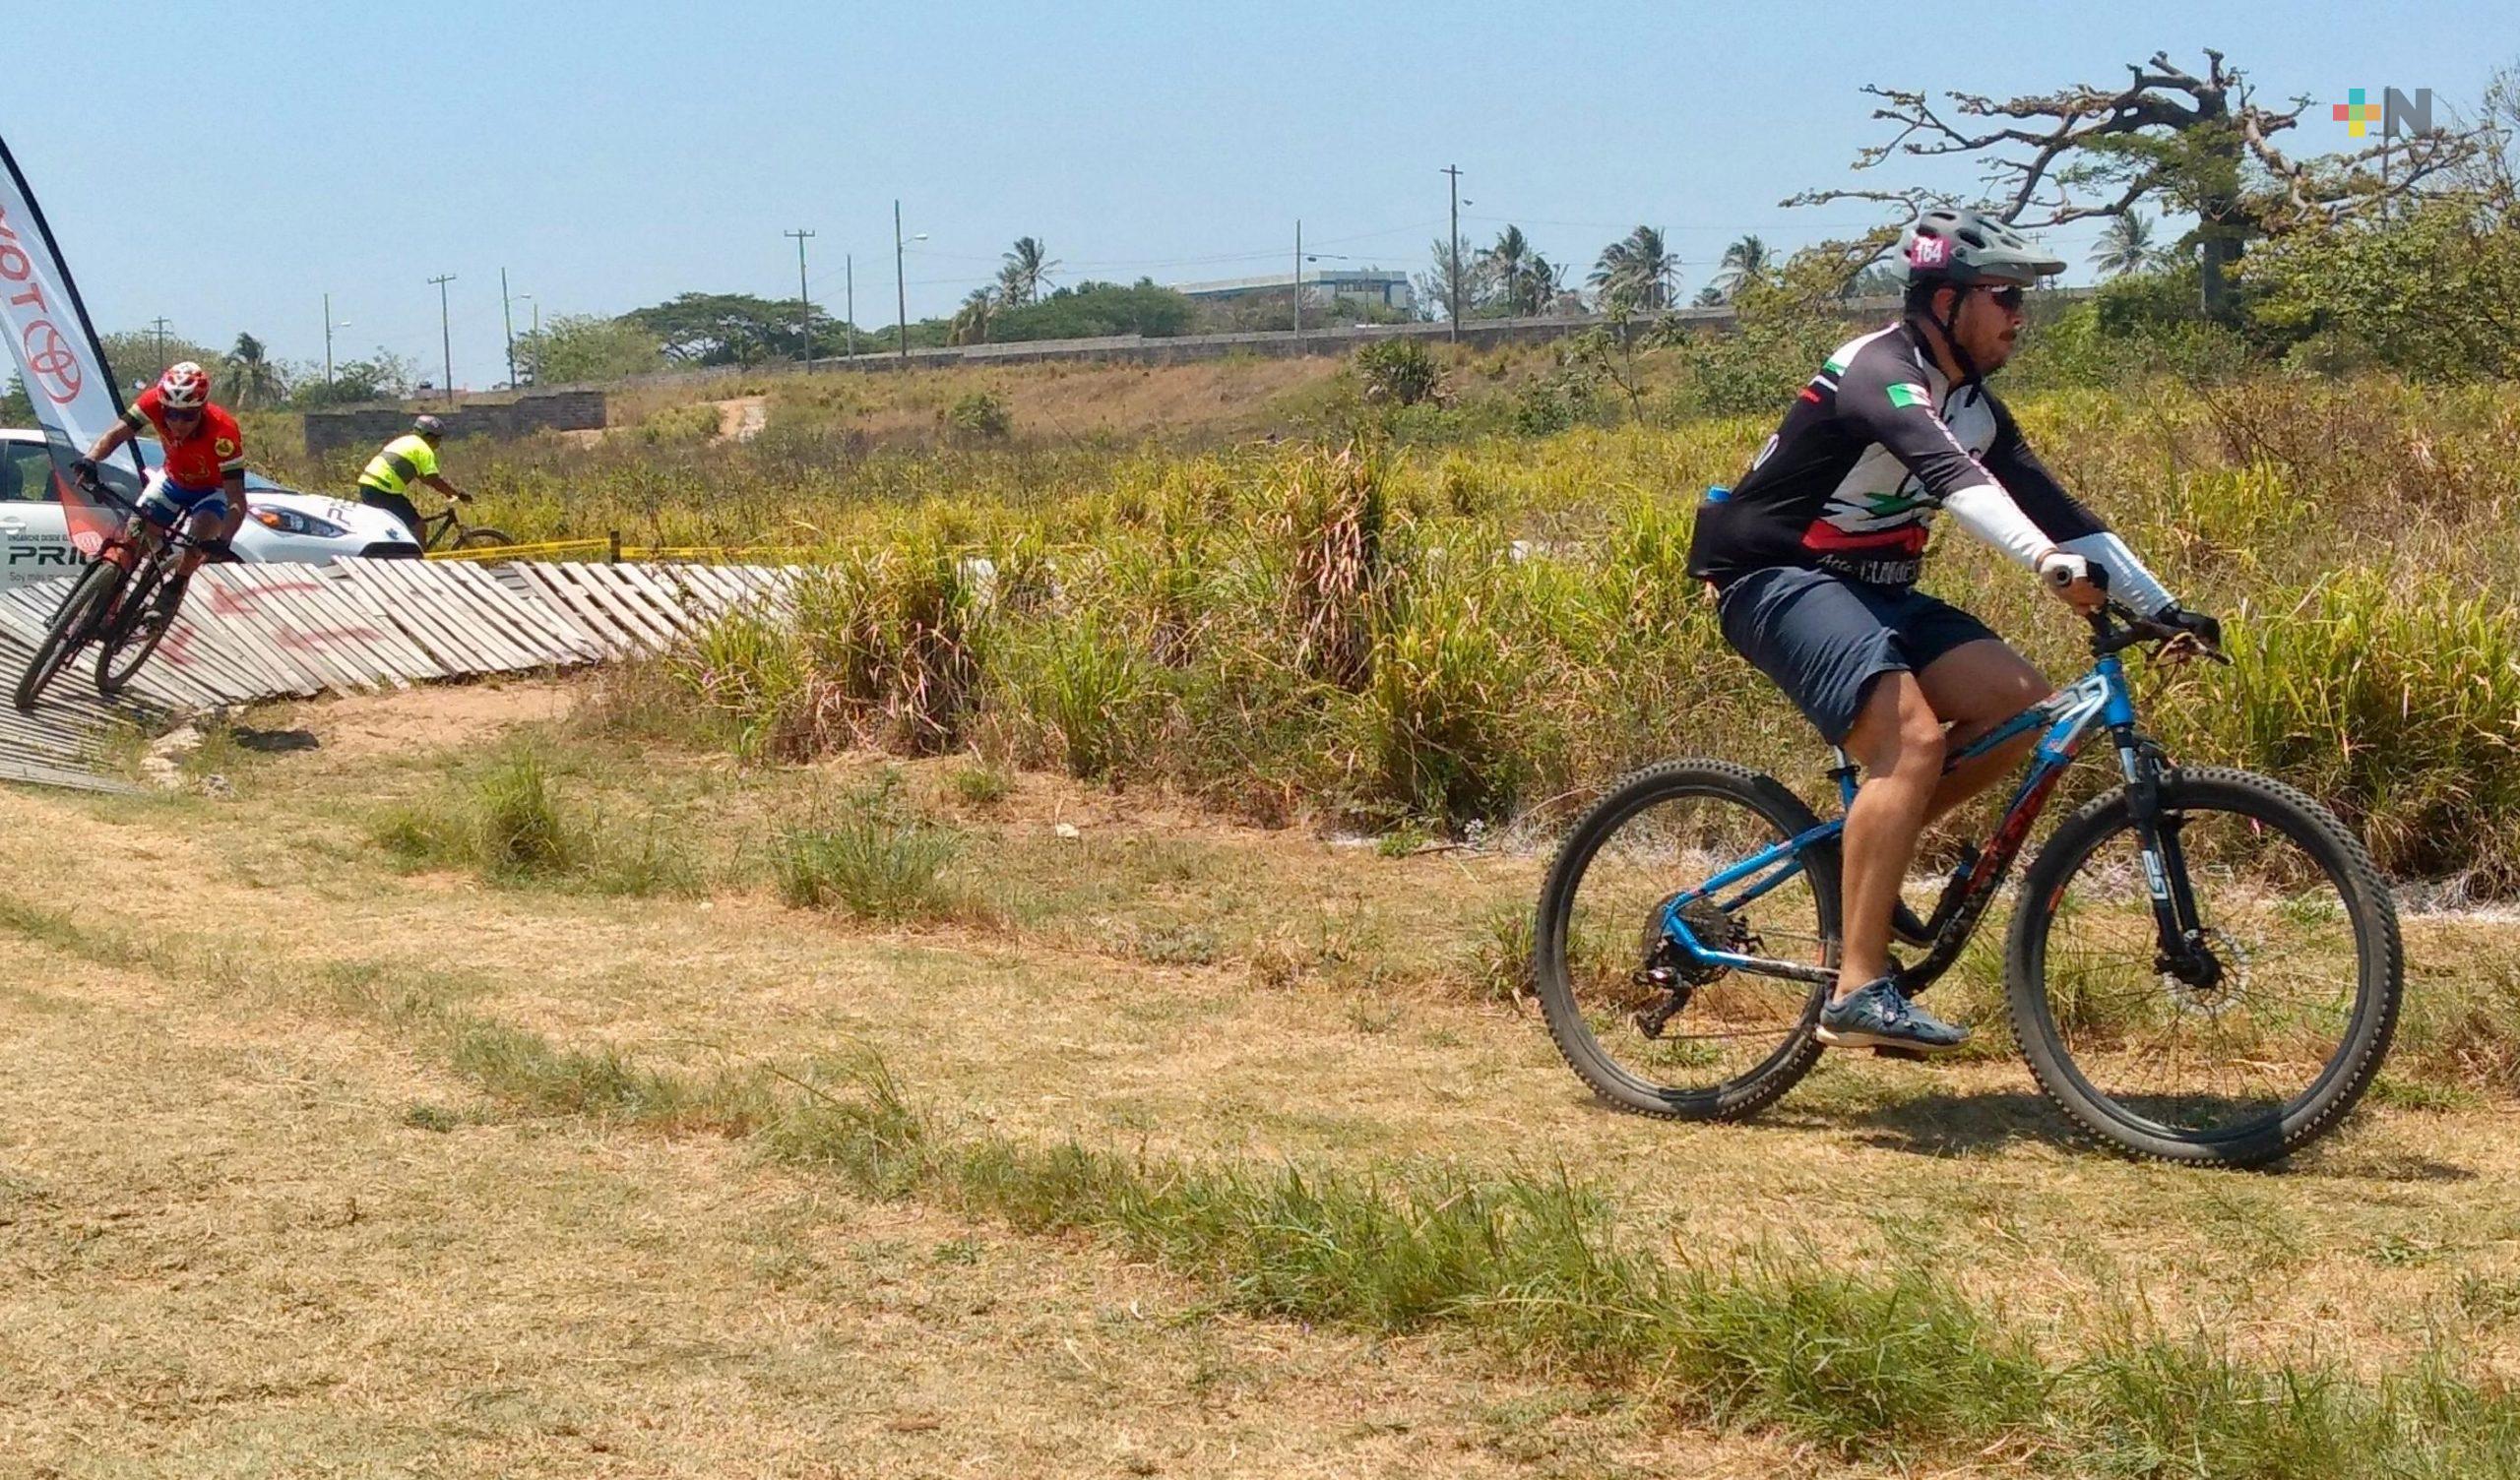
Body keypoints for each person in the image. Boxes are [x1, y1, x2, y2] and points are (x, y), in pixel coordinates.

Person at [1684, 207, 2220, 1054]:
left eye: (2021, 299)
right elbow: (1953, 479)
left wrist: (2160, 607)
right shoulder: (1878, 372)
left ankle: (1868, 854)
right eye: (2004, 295)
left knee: (2023, 705)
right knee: (1912, 742)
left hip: (1875, 588)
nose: (2020, 315)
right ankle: (1856, 991)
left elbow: (2060, 512)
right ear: (1945, 302)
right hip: (1772, 575)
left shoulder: (1973, 405)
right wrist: (2046, 565)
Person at [71, 360, 247, 581]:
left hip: (211, 491)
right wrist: (90, 459)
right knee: (130, 542)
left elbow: (236, 496)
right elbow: (116, 434)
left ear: (202, 409)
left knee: (196, 544)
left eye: (188, 416)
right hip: (172, 481)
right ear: (162, 407)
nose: (178, 423)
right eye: (171, 414)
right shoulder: (152, 402)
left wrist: (224, 540)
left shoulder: (223, 433)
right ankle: (109, 595)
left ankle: (175, 586)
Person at [354, 413, 473, 539]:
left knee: (397, 527)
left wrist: (447, 492)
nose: (439, 443)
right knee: (419, 528)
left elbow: (423, 477)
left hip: (368, 486)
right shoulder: (424, 449)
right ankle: (416, 553)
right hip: (384, 491)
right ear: (430, 437)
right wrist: (458, 494)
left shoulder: (404, 441)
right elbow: (432, 480)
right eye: (438, 439)